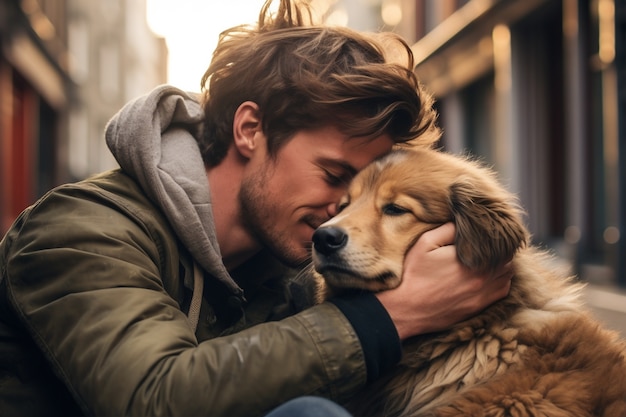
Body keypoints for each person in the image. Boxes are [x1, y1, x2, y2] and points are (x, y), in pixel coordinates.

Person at [0, 1, 512, 416]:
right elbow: (152, 396)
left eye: (359, 193)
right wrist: (384, 318)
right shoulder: (80, 231)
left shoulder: (290, 266)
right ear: (250, 130)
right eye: (335, 177)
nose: (343, 215)